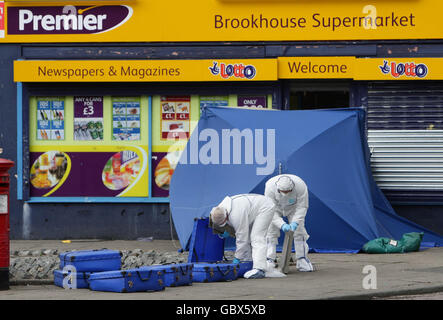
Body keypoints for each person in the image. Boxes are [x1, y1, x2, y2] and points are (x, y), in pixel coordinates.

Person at [209, 194, 275, 279]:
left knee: (256, 237)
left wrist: (237, 258)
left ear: (226, 217)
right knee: (248, 237)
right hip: (251, 209)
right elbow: (238, 232)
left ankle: (259, 269)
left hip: (265, 207)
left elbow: (242, 239)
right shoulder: (217, 211)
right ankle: (249, 262)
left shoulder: (236, 215)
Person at [265, 174, 314, 272]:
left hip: (293, 208)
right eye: (283, 192)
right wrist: (282, 224)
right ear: (278, 189)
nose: (286, 194)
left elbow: (302, 207)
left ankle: (302, 258)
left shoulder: (300, 185)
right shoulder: (270, 186)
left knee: (299, 232)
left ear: (292, 188)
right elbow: (270, 210)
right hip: (276, 207)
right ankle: (269, 259)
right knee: (270, 232)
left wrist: (295, 222)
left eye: (288, 192)